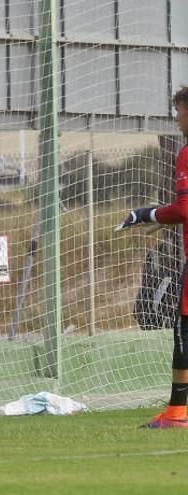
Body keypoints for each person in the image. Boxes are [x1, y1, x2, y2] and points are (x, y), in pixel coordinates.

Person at [116, 85, 188, 428]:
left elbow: (183, 208)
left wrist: (146, 214)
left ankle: (176, 414)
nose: (176, 119)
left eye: (179, 111)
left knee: (183, 330)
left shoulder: (186, 153)